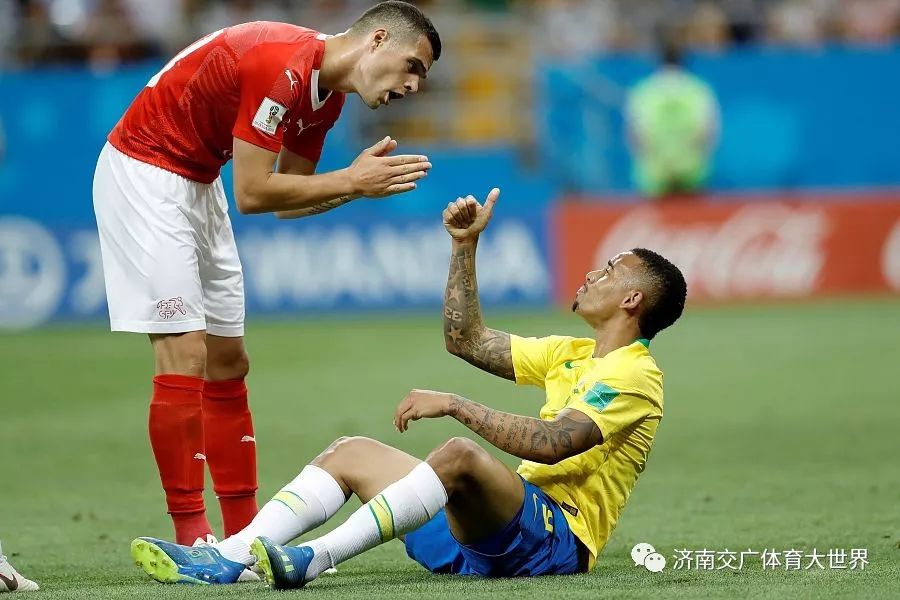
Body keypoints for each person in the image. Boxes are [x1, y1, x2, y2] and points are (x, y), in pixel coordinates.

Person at [128, 188, 687, 587]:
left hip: (555, 542)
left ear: (632, 300)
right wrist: (464, 246)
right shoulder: (573, 353)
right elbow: (466, 339)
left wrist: (456, 404)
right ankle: (229, 558)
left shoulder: (634, 374)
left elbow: (555, 443)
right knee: (351, 453)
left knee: (460, 456)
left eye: (610, 270)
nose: (593, 273)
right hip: (496, 530)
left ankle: (313, 558)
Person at [91, 1, 441, 547]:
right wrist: (351, 180)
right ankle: (192, 536)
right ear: (376, 40)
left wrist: (356, 187)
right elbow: (254, 193)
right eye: (413, 66)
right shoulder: (284, 66)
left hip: (198, 179)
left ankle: (244, 539)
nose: (414, 86)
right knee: (186, 352)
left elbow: (289, 203)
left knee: (229, 361)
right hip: (146, 169)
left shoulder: (327, 98)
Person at [626, 38, 719, 198]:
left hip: (654, 174)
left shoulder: (643, 91)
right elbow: (708, 132)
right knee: (692, 214)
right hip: (692, 171)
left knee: (655, 215)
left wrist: (653, 161)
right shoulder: (698, 89)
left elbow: (635, 135)